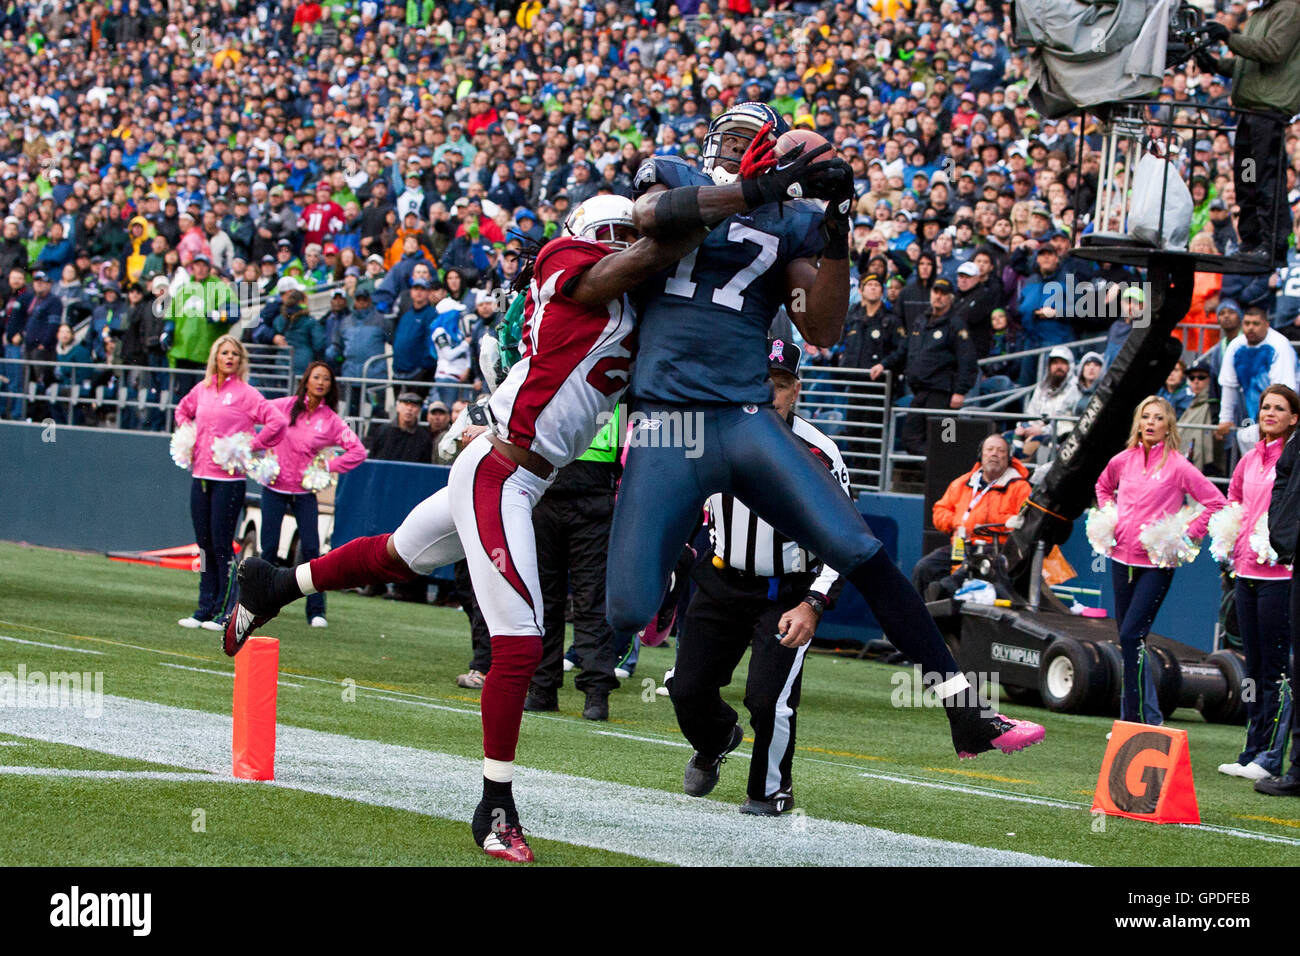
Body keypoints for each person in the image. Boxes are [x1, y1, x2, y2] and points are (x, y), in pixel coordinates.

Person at [224, 191, 725, 863]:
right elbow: (639, 257)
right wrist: (714, 207)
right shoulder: (574, 270)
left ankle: (275, 583)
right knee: (518, 644)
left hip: (513, 469)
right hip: (504, 471)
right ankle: (495, 804)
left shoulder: (630, 312)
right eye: (622, 239)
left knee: (398, 557)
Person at [607, 105, 1044, 789]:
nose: (735, 144)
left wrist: (837, 224)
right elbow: (651, 218)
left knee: (860, 548)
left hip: (743, 415)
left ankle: (964, 709)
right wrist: (761, 189)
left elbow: (825, 328)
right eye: (728, 133)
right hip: (669, 420)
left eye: (752, 138)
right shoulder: (675, 174)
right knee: (625, 609)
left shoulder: (796, 221)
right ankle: (700, 693)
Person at [670, 340, 849, 815]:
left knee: (768, 700)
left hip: (785, 592)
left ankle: (769, 791)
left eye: (782, 384)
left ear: (797, 390)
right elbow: (682, 501)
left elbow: (848, 539)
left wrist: (813, 602)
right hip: (722, 578)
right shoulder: (711, 433)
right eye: (763, 381)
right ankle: (717, 738)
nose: (771, 393)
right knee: (686, 689)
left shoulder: (819, 451)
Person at [1094, 397, 1226, 725]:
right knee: (1129, 639)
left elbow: (1216, 502)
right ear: (1138, 423)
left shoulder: (1179, 466)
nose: (1150, 423)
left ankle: (1141, 717)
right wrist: (1110, 518)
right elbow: (1102, 487)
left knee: (1130, 635)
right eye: (1145, 417)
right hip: (1120, 558)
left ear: (1169, 426)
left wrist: (1184, 535)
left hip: (1156, 563)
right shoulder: (1123, 460)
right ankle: (1140, 717)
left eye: (1158, 418)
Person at [173, 335, 286, 630]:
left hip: (229, 479)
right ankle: (203, 607)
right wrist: (188, 435)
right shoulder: (203, 389)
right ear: (215, 357)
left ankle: (226, 610)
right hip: (201, 476)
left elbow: (277, 421)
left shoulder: (247, 394)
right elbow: (181, 410)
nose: (229, 358)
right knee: (204, 544)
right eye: (224, 352)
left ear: (241, 360)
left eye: (235, 353)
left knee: (223, 544)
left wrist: (253, 444)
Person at [1217, 385, 1298, 781]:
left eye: (1279, 408)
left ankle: (1271, 756)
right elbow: (1233, 499)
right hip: (1245, 573)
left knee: (1275, 670)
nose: (1269, 413)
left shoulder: (1293, 459)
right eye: (1265, 407)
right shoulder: (1249, 459)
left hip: (1279, 576)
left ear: (1294, 418)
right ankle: (1251, 748)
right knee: (1252, 668)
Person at [526, 404, 623, 721]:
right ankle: (547, 689)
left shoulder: (621, 379)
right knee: (550, 599)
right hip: (552, 495)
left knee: (587, 600)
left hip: (588, 498)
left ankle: (592, 692)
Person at [261, 362, 367, 627]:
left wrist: (327, 466)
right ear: (306, 380)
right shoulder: (283, 406)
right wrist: (258, 447)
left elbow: (357, 450)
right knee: (269, 548)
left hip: (305, 491)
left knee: (312, 549)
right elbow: (254, 415)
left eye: (326, 379)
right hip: (274, 487)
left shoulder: (331, 420)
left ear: (331, 386)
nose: (321, 382)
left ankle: (316, 610)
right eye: (316, 377)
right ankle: (259, 605)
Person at [1195, 6, 1300, 266]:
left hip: (1269, 113)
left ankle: (1271, 244)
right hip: (1250, 114)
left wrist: (1228, 37)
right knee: (1247, 177)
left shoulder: (1290, 9)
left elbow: (1273, 51)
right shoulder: (1260, 15)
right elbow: (1249, 62)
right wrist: (1216, 64)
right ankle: (1251, 241)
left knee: (1266, 179)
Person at [911, 434, 1032, 599]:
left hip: (997, 549)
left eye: (1000, 450)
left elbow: (1024, 524)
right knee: (924, 567)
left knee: (970, 567)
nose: (994, 454)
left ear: (1008, 457)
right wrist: (956, 523)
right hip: (962, 545)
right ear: (981, 455)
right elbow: (939, 510)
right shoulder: (963, 482)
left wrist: (1004, 522)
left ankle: (943, 591)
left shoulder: (1021, 487)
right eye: (990, 450)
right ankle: (917, 617)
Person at [900, 277, 978, 455]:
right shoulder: (921, 321)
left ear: (950, 298)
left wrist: (960, 391)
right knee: (910, 437)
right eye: (936, 292)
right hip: (920, 391)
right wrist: (883, 364)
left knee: (944, 439)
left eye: (944, 294)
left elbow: (968, 359)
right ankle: (930, 470)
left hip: (943, 393)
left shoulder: (956, 324)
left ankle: (942, 474)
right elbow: (904, 349)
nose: (939, 297)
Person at [1216, 305, 1299, 449]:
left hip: (1281, 415)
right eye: (1247, 323)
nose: (1250, 328)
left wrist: (1273, 419)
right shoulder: (1236, 346)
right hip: (1251, 414)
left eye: (1256, 324)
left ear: (1267, 325)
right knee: (1248, 448)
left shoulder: (1280, 346)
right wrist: (1225, 418)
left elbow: (1284, 392)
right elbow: (1229, 386)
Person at [1012, 346, 1080, 462]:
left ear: (1070, 366)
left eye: (1063, 363)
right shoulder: (1042, 387)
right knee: (1004, 440)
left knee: (1026, 450)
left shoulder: (1076, 389)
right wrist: (1025, 428)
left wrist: (1042, 430)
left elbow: (1065, 421)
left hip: (1058, 435)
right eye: (1055, 363)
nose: (1058, 367)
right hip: (1035, 430)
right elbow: (1031, 413)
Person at [365, 391, 434, 463]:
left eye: (413, 406)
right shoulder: (383, 431)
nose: (409, 409)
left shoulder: (424, 438)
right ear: (398, 407)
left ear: (419, 410)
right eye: (406, 404)